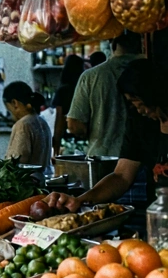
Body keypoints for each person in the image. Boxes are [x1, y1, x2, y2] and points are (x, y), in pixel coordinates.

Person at [49, 59, 168, 214]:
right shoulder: (140, 124)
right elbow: (121, 176)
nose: (138, 109)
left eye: (137, 102)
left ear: (150, 93)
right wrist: (81, 200)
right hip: (158, 213)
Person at [67, 33, 140, 158]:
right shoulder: (151, 72)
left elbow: (75, 125)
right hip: (144, 159)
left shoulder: (91, 76)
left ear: (112, 46)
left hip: (102, 157)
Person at [3, 82, 53, 174]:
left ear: (15, 103)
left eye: (9, 110)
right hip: (42, 180)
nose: (11, 115)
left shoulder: (23, 124)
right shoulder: (43, 122)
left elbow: (16, 162)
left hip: (27, 184)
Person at [51, 56, 88, 156]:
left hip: (68, 141)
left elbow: (59, 121)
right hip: (86, 140)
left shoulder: (63, 91)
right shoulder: (85, 88)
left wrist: (56, 148)